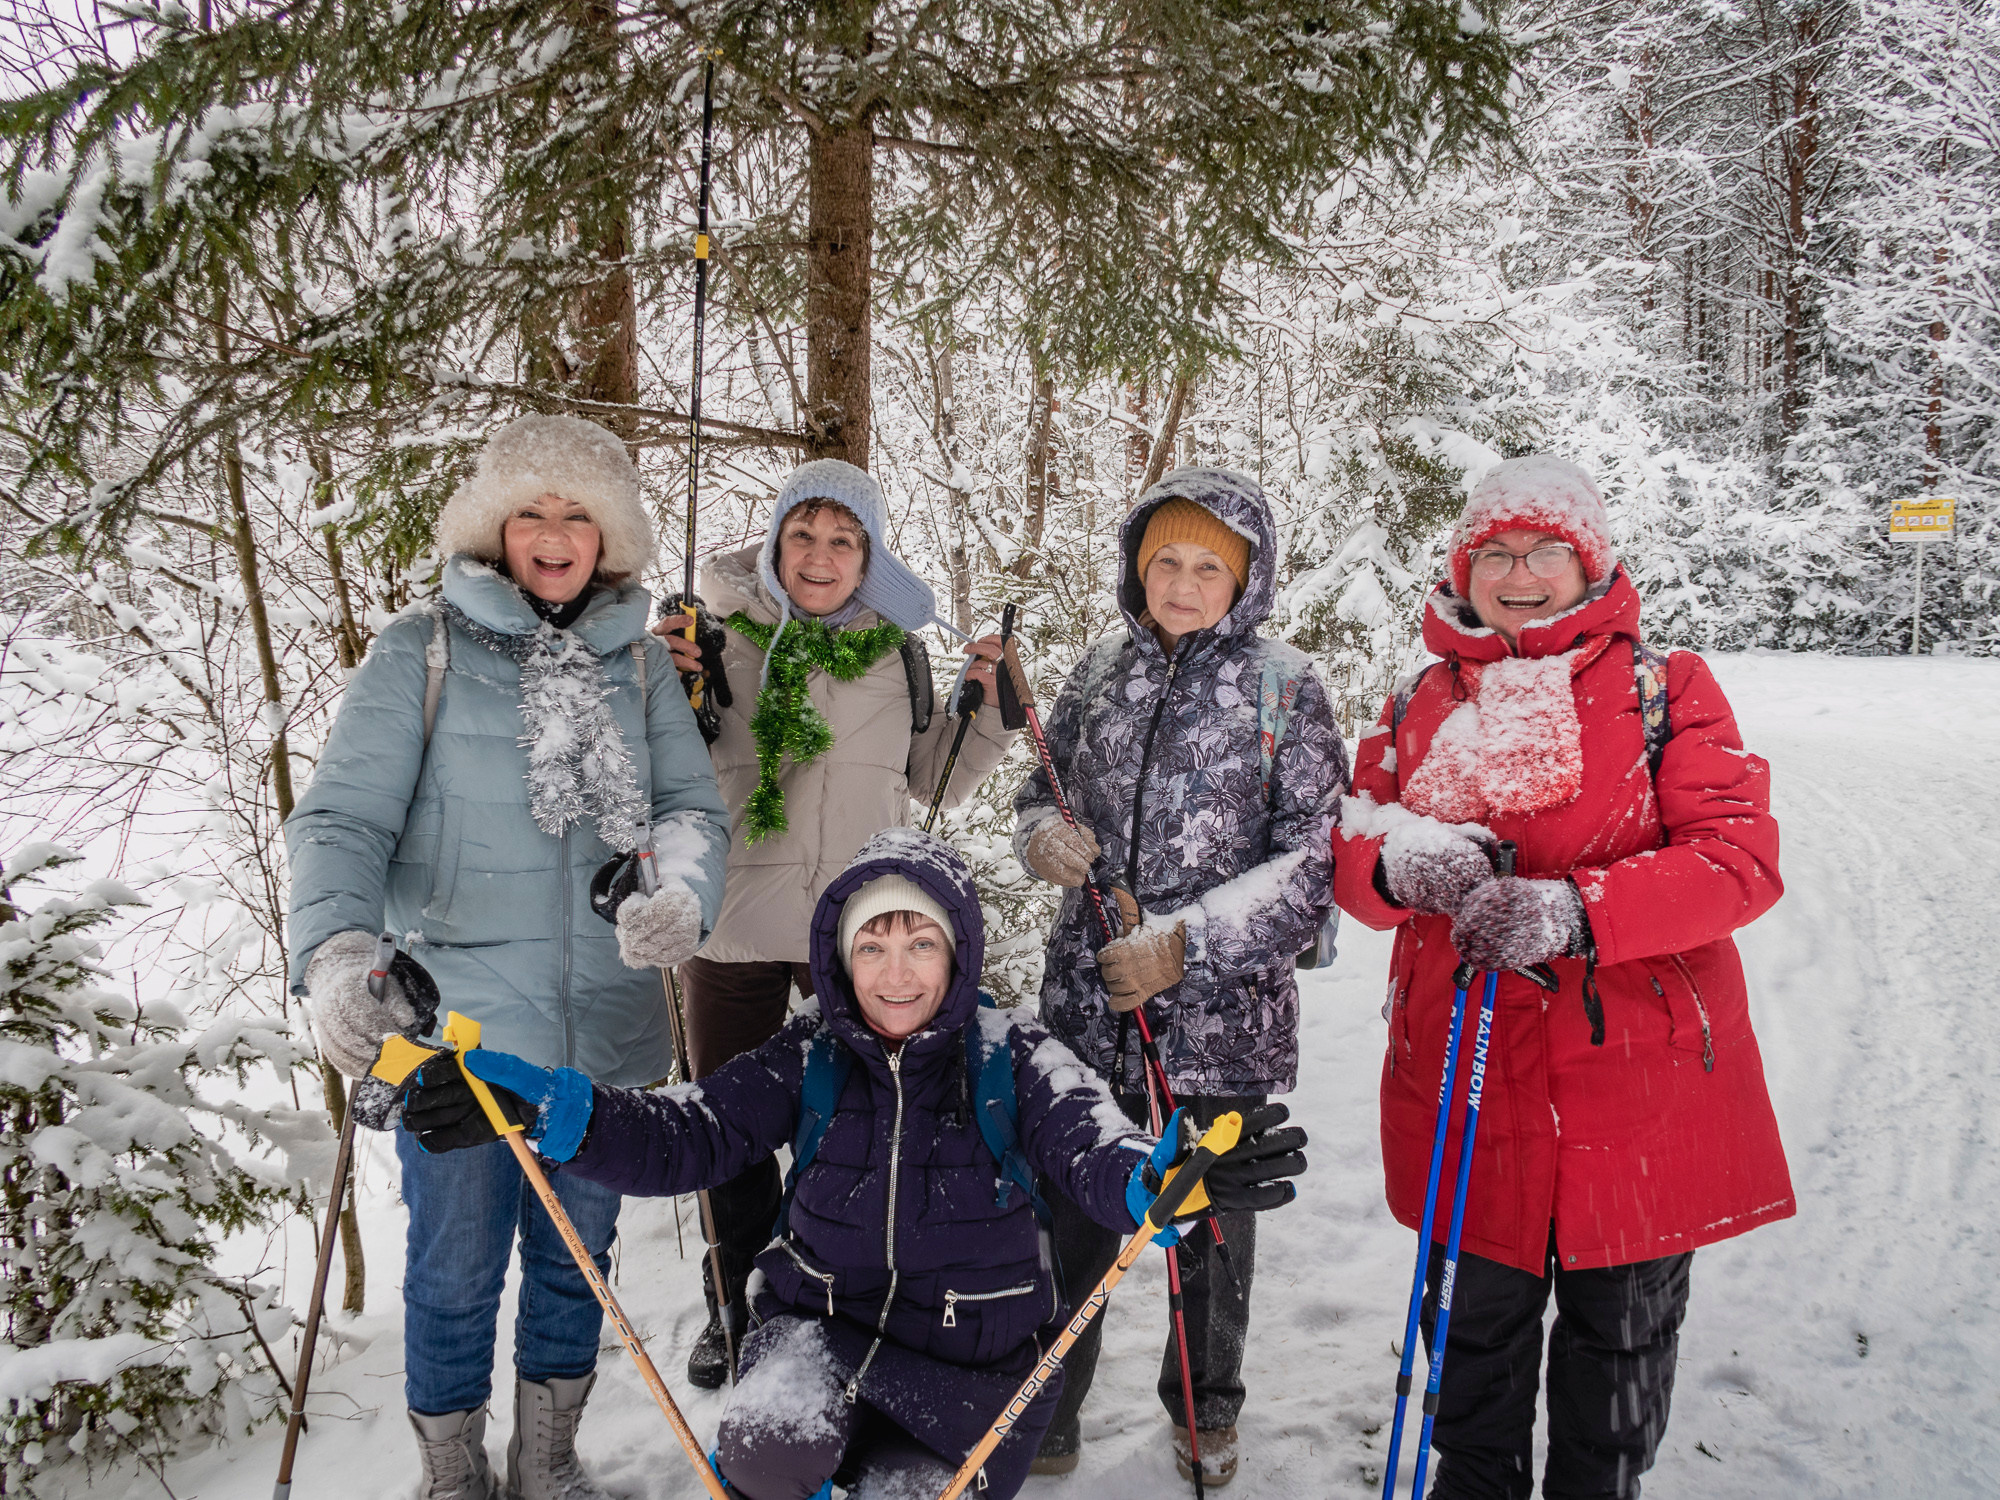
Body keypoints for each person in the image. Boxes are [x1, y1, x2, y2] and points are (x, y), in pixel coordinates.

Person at [394, 829, 1310, 1500]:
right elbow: (688, 1132)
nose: (895, 973)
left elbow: (1097, 1149)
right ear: (841, 959)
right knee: (765, 1449)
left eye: (920, 945)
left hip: (971, 1376)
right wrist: (545, 1107)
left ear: (958, 952)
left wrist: (1162, 1178)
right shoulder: (812, 1052)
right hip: (817, 1340)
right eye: (872, 946)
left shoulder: (1015, 1056)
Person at [286, 414, 731, 1500]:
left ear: (609, 535)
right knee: (451, 1275)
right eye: (531, 510)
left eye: (578, 513)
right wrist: (337, 954)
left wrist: (680, 895)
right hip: (455, 1038)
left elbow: (690, 811)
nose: (554, 533)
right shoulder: (421, 650)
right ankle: (451, 1475)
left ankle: (547, 1463)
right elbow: (342, 821)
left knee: (577, 1268)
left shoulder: (640, 665)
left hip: (601, 1039)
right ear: (494, 525)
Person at [1331, 454, 1794, 1500]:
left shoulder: (1665, 688)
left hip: (1633, 1090)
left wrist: (1577, 912)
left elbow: (1737, 860)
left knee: (1618, 1349)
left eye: (1546, 550)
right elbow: (1351, 846)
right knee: (1471, 1338)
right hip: (1465, 1082)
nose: (1519, 573)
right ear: (1463, 569)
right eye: (1493, 552)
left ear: (1590, 564)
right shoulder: (1416, 699)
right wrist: (1396, 865)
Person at [1012, 467, 1350, 1483]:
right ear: (1137, 566)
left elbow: (1312, 862)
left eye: (1210, 566)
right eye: (1166, 561)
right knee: (1071, 1217)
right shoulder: (1098, 671)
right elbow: (1040, 788)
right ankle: (1049, 1408)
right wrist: (1042, 836)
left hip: (1217, 1027)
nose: (1184, 583)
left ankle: (1205, 1409)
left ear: (1246, 580)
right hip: (1086, 1011)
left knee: (1206, 1228)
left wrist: (1184, 946)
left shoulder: (1285, 687)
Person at [651, 458, 1015, 1386]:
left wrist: (993, 709)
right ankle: (732, 1301)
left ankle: (836, 1294)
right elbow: (658, 758)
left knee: (857, 1127)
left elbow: (933, 780)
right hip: (731, 926)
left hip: (853, 934)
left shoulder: (898, 655)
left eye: (843, 540)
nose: (820, 556)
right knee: (726, 1134)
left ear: (869, 556)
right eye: (803, 535)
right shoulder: (713, 634)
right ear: (774, 544)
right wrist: (657, 679)